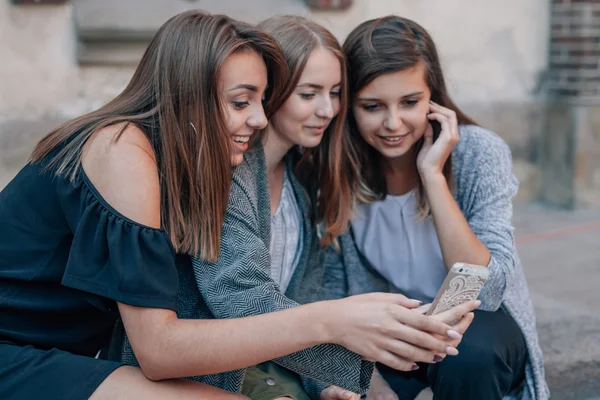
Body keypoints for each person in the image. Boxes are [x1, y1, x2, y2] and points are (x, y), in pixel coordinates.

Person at [0, 10, 460, 400]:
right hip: (16, 352)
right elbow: (160, 349)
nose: (259, 119)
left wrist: (338, 365)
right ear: (189, 96)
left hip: (68, 354)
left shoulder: (199, 161)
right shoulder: (123, 147)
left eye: (262, 100)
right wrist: (333, 323)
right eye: (241, 102)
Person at [323, 15, 549, 400]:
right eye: (372, 106)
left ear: (433, 98)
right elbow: (331, 289)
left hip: (479, 323)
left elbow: (489, 290)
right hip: (396, 328)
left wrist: (433, 176)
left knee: (467, 353)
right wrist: (367, 380)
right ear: (349, 107)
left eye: (410, 102)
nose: (392, 123)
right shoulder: (339, 168)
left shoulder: (478, 153)